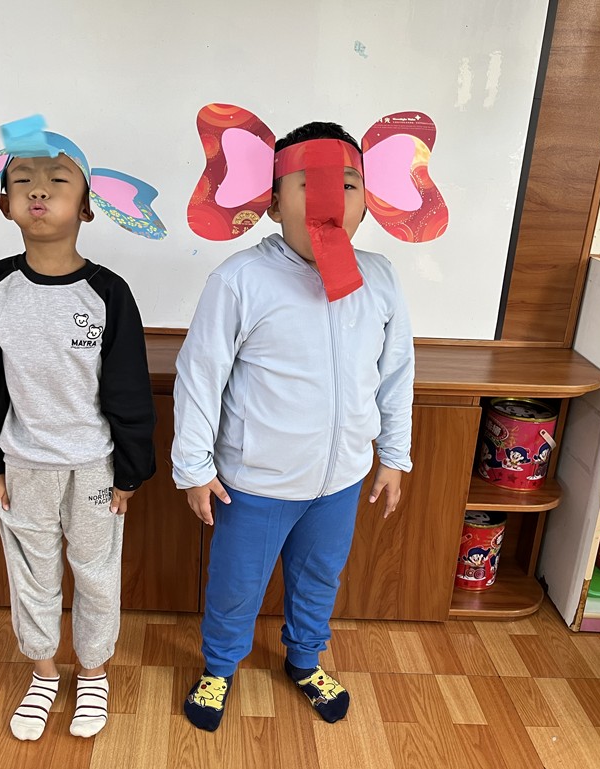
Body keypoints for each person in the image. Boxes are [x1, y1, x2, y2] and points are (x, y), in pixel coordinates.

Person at [172, 121, 414, 731]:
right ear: (274, 201)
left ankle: (305, 660)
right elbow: (200, 375)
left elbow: (395, 372)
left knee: (319, 579)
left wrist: (393, 455)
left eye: (349, 184)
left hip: (340, 480)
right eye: (309, 184)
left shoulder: (380, 278)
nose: (332, 199)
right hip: (256, 483)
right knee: (236, 585)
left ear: (369, 200)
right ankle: (219, 668)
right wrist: (193, 467)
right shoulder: (240, 280)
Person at [0, 115, 159, 741]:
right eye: (23, 180)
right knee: (32, 574)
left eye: (57, 180)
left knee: (96, 571)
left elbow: (128, 388)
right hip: (22, 466)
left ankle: (92, 672)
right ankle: (43, 673)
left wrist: (130, 472)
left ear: (87, 205)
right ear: (5, 204)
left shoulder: (109, 293)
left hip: (95, 466)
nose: (38, 190)